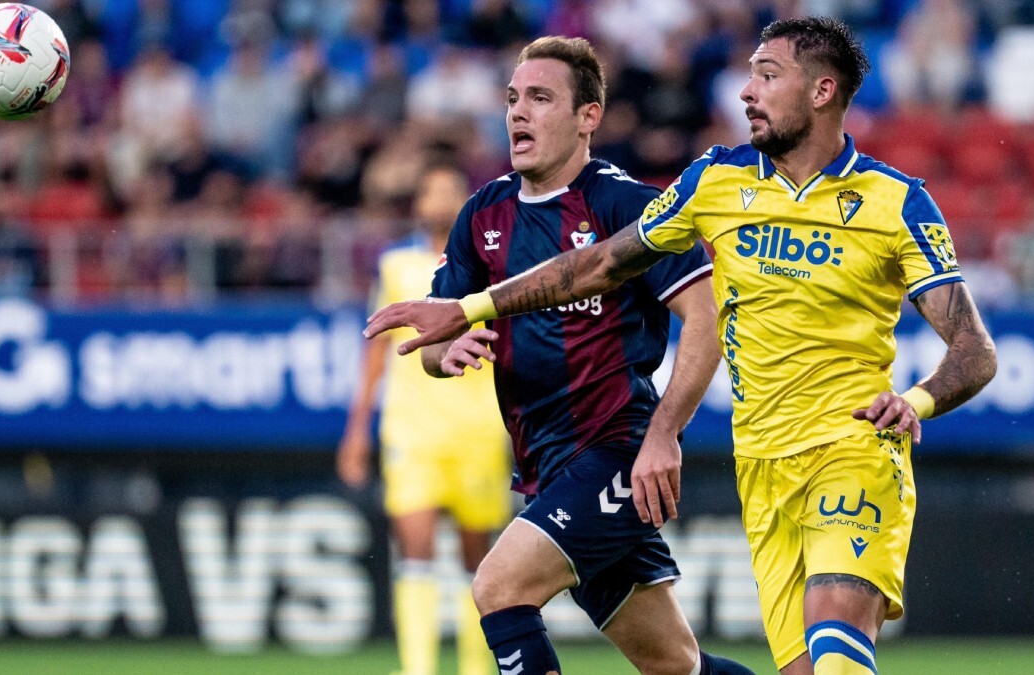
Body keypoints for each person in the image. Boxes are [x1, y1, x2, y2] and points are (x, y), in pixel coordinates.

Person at [366, 18, 999, 675]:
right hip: (759, 462)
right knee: (684, 664)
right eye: (748, 74)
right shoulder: (715, 182)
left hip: (851, 447)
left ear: (822, 91)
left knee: (835, 654)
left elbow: (974, 350)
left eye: (767, 76)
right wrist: (468, 310)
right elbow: (597, 267)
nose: (746, 92)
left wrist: (915, 402)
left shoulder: (897, 201)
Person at [377, 36, 753, 675]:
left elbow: (707, 316)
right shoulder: (482, 215)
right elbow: (433, 345)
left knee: (498, 588)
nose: (518, 113)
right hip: (546, 468)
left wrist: (664, 434)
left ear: (589, 117)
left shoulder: (627, 207)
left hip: (616, 452)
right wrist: (445, 351)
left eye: (541, 98)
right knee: (674, 664)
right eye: (513, 98)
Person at [337, 162, 513, 675]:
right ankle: (418, 669)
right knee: (414, 550)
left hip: (479, 430)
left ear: (465, 205)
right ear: (418, 204)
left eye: (449, 192)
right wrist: (356, 431)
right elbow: (376, 353)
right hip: (413, 430)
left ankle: (475, 668)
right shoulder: (395, 267)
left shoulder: (491, 265)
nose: (439, 200)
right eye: (431, 190)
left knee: (475, 561)